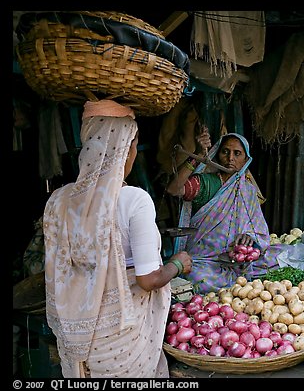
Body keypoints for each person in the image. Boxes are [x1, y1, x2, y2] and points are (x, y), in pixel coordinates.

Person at [42, 99, 192, 378]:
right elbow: (149, 281)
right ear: (126, 148)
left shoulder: (58, 200)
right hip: (122, 346)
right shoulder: (134, 200)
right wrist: (178, 264)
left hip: (75, 340)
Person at [166, 131, 279, 294]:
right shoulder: (206, 183)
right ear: (217, 154)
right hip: (205, 260)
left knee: (280, 259)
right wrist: (196, 155)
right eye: (225, 152)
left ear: (246, 160)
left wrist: (249, 237)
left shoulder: (248, 190)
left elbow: (258, 228)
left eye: (237, 153)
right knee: (198, 278)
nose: (230, 158)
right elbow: (174, 189)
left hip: (240, 259)